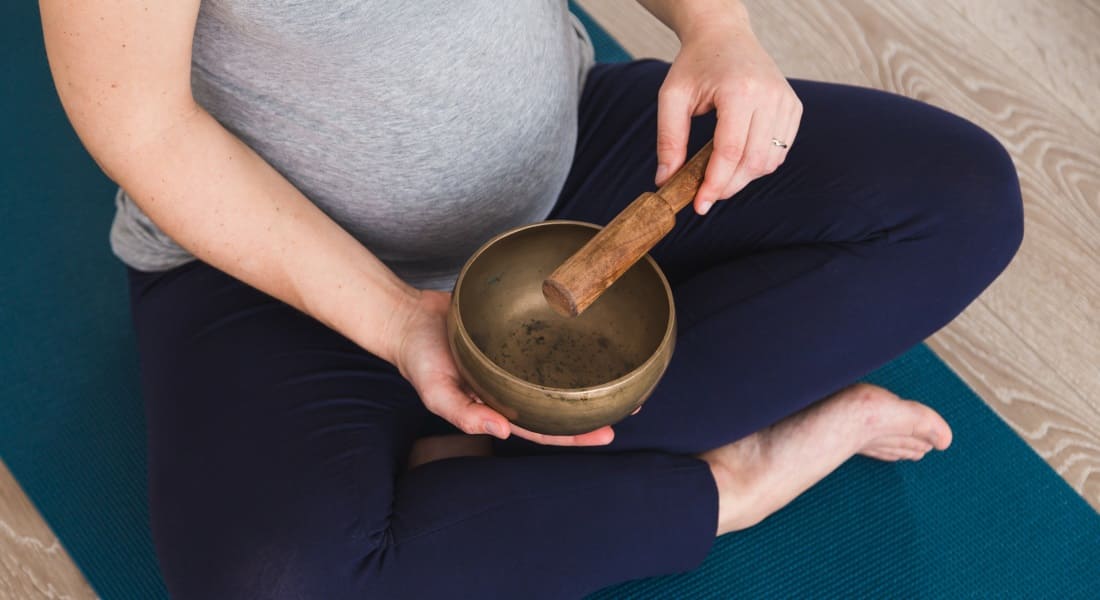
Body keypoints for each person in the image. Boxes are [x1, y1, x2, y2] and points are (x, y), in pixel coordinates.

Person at [41, 0, 1022, 597]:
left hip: (564, 164)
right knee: (275, 587)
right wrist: (389, 319)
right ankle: (732, 480)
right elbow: (142, 125)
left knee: (959, 204)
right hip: (269, 278)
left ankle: (476, 473)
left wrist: (716, 26)